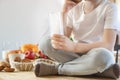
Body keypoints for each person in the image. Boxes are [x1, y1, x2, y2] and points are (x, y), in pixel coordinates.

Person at [35, 0, 120, 79]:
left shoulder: (110, 8)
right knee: (45, 42)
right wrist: (64, 13)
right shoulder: (74, 9)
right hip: (75, 55)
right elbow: (63, 39)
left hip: (96, 55)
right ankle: (97, 71)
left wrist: (74, 46)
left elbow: (108, 45)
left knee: (104, 57)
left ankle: (57, 69)